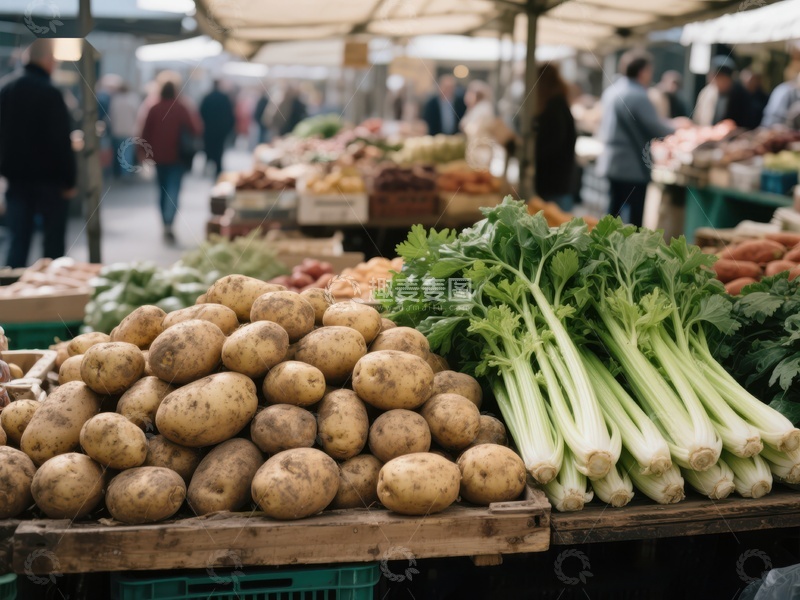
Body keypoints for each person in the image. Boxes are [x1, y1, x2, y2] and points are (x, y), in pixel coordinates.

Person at [0, 39, 76, 268]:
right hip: (49, 180)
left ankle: (10, 294)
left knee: (18, 241)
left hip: (16, 178)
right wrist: (70, 180)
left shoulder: (5, 87)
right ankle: (51, 294)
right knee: (52, 246)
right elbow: (61, 140)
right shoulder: (50, 91)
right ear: (47, 60)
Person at [596, 50, 683, 228]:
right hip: (632, 167)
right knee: (634, 221)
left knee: (612, 214)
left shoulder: (612, 90)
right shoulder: (637, 94)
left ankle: (604, 251)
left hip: (612, 162)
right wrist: (677, 125)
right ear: (643, 71)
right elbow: (655, 127)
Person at [140, 79, 202, 244]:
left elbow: (144, 131)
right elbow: (196, 129)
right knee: (174, 189)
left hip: (159, 156)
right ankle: (169, 221)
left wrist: (142, 153)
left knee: (162, 190)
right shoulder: (182, 107)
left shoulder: (154, 108)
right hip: (178, 156)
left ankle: (165, 222)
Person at [533, 63, 577, 211]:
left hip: (554, 184)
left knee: (556, 226)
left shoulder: (554, 108)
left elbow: (551, 145)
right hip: (556, 182)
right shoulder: (558, 104)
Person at [693, 56, 752, 128]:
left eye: (723, 78)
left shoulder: (742, 96)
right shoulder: (707, 93)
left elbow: (746, 124)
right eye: (717, 78)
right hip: (706, 134)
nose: (720, 83)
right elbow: (697, 119)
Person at [199, 80, 235, 178]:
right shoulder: (224, 98)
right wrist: (229, 128)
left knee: (209, 149)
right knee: (219, 149)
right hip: (220, 130)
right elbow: (230, 115)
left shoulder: (207, 97)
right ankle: (218, 169)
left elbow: (201, 112)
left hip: (209, 129)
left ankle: (208, 166)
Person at [108, 82, 140, 177]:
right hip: (129, 130)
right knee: (127, 153)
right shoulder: (133, 99)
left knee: (118, 152)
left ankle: (119, 173)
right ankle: (125, 174)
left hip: (117, 130)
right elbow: (137, 115)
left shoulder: (115, 99)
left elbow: (111, 115)